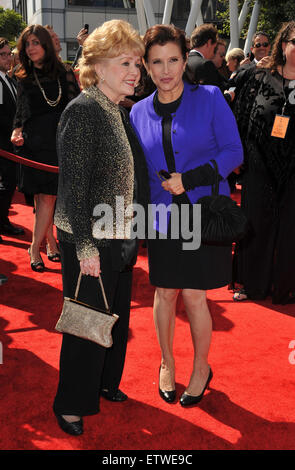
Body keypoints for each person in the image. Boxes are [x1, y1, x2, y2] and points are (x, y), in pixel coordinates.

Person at [130, 24, 243, 407]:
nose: (166, 70)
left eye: (173, 60)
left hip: (202, 211)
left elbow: (233, 152)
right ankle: (166, 363)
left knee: (195, 296)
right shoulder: (138, 112)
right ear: (146, 65)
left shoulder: (210, 98)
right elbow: (143, 172)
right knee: (164, 293)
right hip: (162, 218)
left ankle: (200, 367)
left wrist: (189, 179)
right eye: (157, 62)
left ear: (184, 60)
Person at [52, 19, 149, 436]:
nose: (135, 71)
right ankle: (70, 403)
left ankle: (105, 383)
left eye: (137, 63)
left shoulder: (115, 108)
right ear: (99, 66)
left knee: (115, 316)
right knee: (86, 322)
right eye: (124, 62)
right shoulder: (85, 110)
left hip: (118, 233)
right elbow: (73, 184)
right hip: (88, 238)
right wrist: (86, 248)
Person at [232, 21, 295, 304]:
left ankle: (287, 286)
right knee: (257, 221)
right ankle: (253, 283)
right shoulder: (258, 77)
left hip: (294, 166)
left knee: (291, 227)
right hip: (258, 160)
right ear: (284, 45)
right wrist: (237, 157)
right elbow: (241, 117)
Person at [11, 25, 80, 272]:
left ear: (45, 45)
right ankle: (44, 243)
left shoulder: (65, 72)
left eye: (35, 43)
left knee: (49, 198)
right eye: (27, 44)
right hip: (33, 145)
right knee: (43, 198)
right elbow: (21, 110)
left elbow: (74, 106)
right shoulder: (23, 75)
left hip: (58, 142)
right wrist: (16, 130)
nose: (30, 49)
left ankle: (39, 245)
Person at [0, 37, 24, 237]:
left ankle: (2, 220)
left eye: (10, 54)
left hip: (12, 143)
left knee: (9, 184)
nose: (8, 58)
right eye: (3, 54)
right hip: (2, 144)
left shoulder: (9, 79)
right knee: (4, 184)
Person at [184, 24, 228, 92]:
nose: (214, 52)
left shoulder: (183, 61)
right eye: (214, 47)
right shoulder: (206, 64)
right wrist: (229, 96)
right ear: (209, 43)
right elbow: (212, 97)